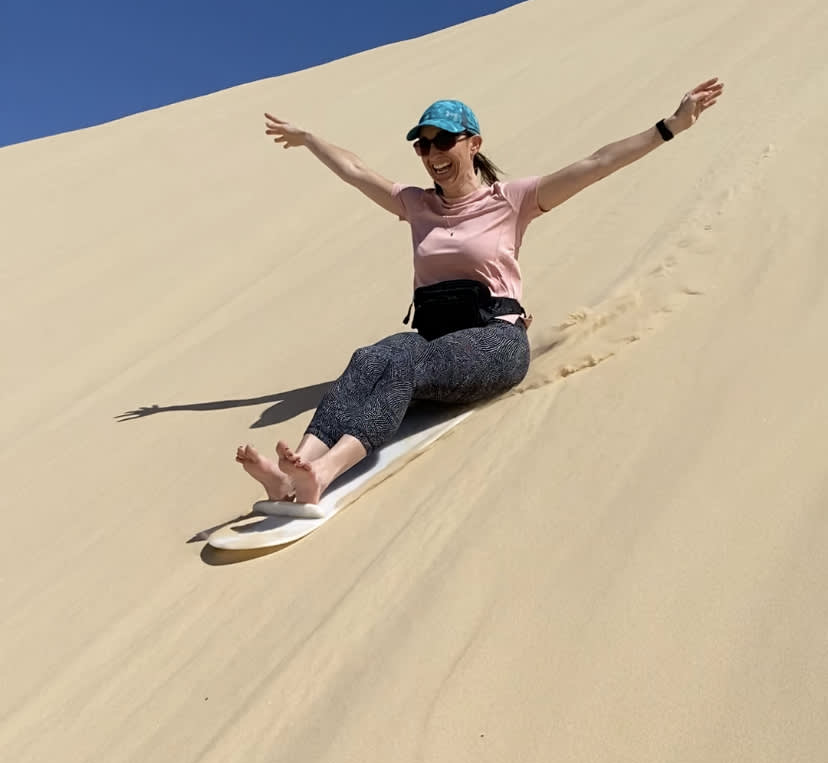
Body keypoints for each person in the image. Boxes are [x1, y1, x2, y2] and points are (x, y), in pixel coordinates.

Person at [236, 79, 723, 504]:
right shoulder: (416, 205)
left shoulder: (512, 201)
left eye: (444, 141)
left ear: (473, 144)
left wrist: (670, 126)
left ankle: (323, 474)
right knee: (369, 358)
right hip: (434, 336)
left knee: (405, 366)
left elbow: (597, 163)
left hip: (496, 340)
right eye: (423, 145)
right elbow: (357, 171)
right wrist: (310, 139)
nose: (433, 154)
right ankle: (293, 470)